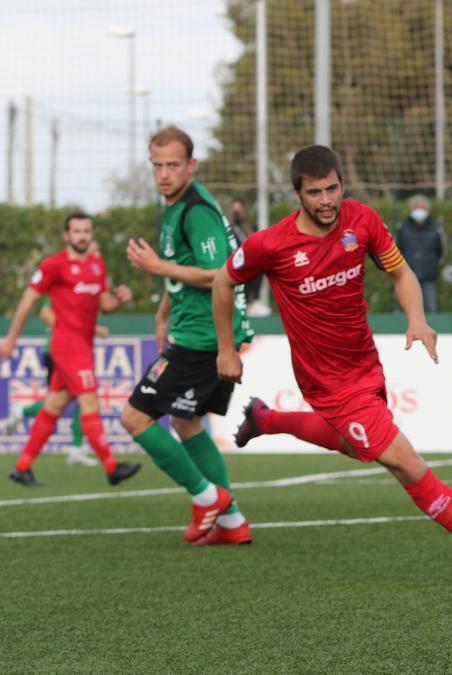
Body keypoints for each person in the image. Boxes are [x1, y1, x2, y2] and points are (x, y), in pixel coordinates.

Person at [212, 145, 452, 583]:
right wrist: (226, 348)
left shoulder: (361, 221)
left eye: (333, 188)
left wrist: (417, 320)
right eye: (315, 192)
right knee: (409, 465)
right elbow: (223, 279)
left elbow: (401, 272)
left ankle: (265, 418)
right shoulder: (271, 245)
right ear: (297, 194)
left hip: (366, 366)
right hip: (327, 383)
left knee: (354, 448)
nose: (326, 200)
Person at [122, 125, 255, 546]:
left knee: (135, 418)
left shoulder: (195, 209)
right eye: (157, 165)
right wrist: (163, 313)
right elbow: (183, 270)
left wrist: (158, 268)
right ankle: (232, 523)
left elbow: (220, 273)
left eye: (173, 165)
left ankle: (206, 497)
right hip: (197, 330)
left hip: (203, 336)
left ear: (191, 166)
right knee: (186, 421)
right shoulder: (175, 206)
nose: (164, 173)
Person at [1, 212, 140, 487]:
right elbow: (29, 301)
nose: (82, 236)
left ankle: (22, 466)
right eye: (76, 231)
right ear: (66, 235)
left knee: (54, 405)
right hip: (67, 346)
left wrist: (119, 300)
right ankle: (112, 467)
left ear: (91, 234)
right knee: (89, 401)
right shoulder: (54, 265)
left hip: (84, 346)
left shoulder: (97, 266)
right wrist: (11, 338)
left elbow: (105, 305)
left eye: (86, 231)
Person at [1, 300, 106, 467]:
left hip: (71, 350)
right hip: (61, 350)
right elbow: (46, 313)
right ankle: (24, 412)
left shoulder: (81, 288)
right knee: (76, 397)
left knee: (75, 398)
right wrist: (93, 330)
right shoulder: (62, 286)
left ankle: (76, 448)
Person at [393, 193, 445, 313]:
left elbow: (441, 251)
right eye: (417, 208)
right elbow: (396, 249)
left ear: (428, 209)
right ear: (411, 209)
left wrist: (433, 263)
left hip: (429, 275)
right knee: (404, 307)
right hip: (406, 275)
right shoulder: (402, 228)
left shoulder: (436, 228)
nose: (419, 211)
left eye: (422, 208)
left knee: (430, 308)